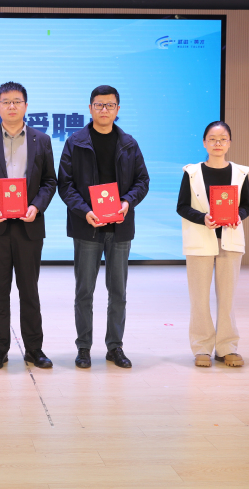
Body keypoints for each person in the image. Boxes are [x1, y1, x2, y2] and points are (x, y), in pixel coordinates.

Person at [0, 82, 58, 369]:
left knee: (29, 291)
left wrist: (36, 206)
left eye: (17, 101)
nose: (12, 106)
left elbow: (50, 181)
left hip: (29, 226)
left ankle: (34, 350)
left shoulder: (41, 139)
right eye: (6, 102)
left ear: (26, 106)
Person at [57, 85, 149, 369]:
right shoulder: (75, 142)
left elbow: (142, 181)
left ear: (118, 109)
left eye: (110, 105)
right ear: (90, 108)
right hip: (88, 227)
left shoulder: (129, 144)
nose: (104, 110)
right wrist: (85, 211)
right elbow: (65, 184)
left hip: (120, 227)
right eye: (99, 105)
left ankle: (115, 347)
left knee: (118, 292)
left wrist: (127, 202)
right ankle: (83, 347)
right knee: (84, 291)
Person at [176, 120, 249, 367]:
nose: (217, 143)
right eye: (212, 139)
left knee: (228, 298)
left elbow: (246, 205)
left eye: (222, 139)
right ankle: (201, 348)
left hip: (230, 241)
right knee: (199, 298)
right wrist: (203, 218)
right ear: (204, 143)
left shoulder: (240, 173)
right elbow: (182, 207)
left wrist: (238, 216)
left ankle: (227, 347)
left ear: (229, 143)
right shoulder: (192, 173)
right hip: (200, 241)